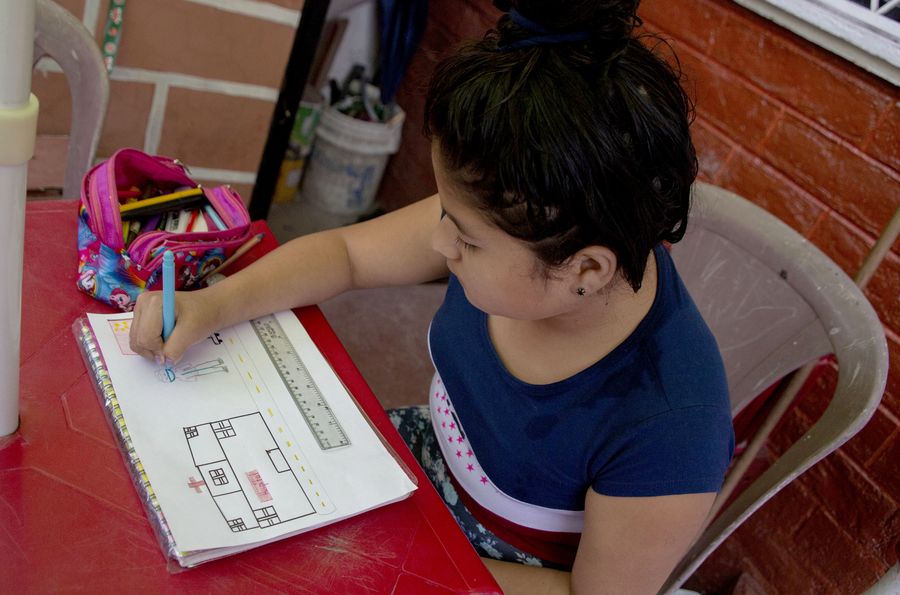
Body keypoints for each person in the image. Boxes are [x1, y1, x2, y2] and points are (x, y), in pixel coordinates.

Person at [130, 1, 735, 592]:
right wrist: (214, 304)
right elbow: (347, 253)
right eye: (446, 213)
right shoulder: (525, 222)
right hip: (420, 470)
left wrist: (392, 558)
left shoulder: (671, 430)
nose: (440, 242)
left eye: (466, 239)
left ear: (586, 268)